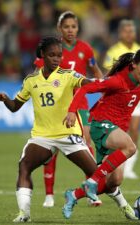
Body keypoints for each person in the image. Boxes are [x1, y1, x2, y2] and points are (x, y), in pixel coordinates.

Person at [0, 37, 100, 222]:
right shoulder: (31, 80)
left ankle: (124, 204)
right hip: (43, 137)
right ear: (42, 55)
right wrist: (5, 99)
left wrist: (105, 82)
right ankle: (24, 214)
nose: (57, 59)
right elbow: (15, 106)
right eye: (52, 55)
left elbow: (89, 83)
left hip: (68, 134)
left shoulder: (68, 75)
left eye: (59, 55)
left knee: (97, 174)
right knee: (24, 166)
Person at [62, 48, 140, 219]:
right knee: (130, 147)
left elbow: (125, 111)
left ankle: (73, 195)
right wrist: (71, 111)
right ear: (134, 65)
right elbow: (84, 89)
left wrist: (122, 131)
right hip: (101, 125)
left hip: (114, 130)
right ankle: (91, 182)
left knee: (114, 181)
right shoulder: (117, 81)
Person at [34, 11, 103, 208]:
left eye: (73, 26)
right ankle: (49, 195)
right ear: (60, 29)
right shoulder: (53, 49)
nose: (70, 30)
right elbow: (38, 70)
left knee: (86, 144)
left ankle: (91, 191)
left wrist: (103, 87)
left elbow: (95, 71)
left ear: (78, 28)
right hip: (57, 105)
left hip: (80, 103)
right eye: (66, 27)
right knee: (51, 148)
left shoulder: (85, 49)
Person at [103, 19, 140, 179]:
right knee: (119, 133)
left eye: (131, 30)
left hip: (137, 98)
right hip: (118, 100)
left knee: (134, 132)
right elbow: (108, 74)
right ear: (120, 33)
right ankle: (118, 165)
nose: (129, 34)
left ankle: (129, 168)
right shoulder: (113, 51)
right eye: (126, 31)